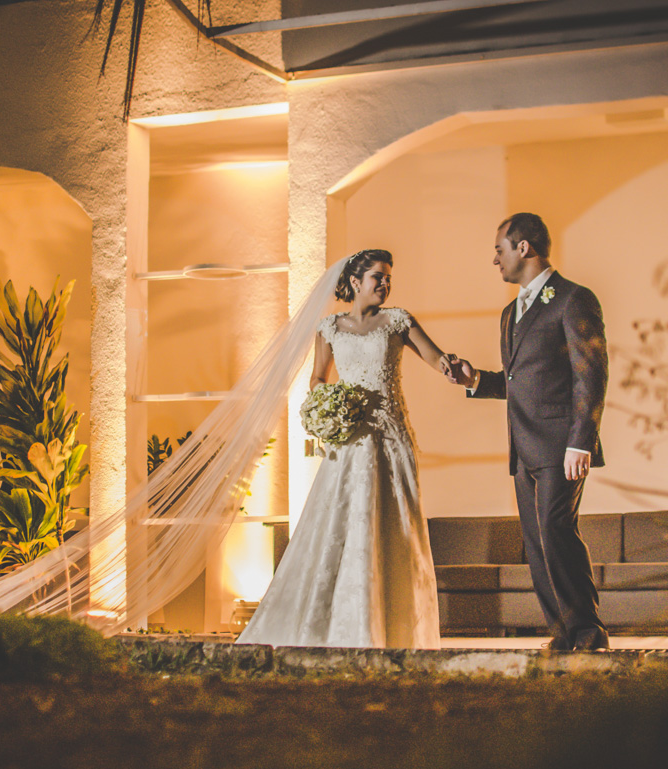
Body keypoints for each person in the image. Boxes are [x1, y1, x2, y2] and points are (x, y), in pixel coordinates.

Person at [236, 249, 452, 649]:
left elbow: (437, 359)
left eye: (388, 277)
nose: (385, 284)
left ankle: (395, 630)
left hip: (390, 439)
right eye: (378, 277)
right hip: (349, 441)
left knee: (394, 527)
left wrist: (455, 368)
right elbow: (317, 378)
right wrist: (329, 405)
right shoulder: (329, 328)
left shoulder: (398, 321)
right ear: (355, 282)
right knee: (341, 524)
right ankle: (342, 625)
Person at [447, 213, 610, 651]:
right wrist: (474, 380)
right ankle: (563, 632)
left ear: (523, 248)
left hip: (562, 445)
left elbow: (590, 374)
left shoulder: (573, 299)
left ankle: (588, 630)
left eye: (499, 249)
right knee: (536, 542)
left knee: (557, 531)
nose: (494, 260)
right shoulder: (509, 314)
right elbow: (518, 380)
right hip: (522, 446)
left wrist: (582, 441)